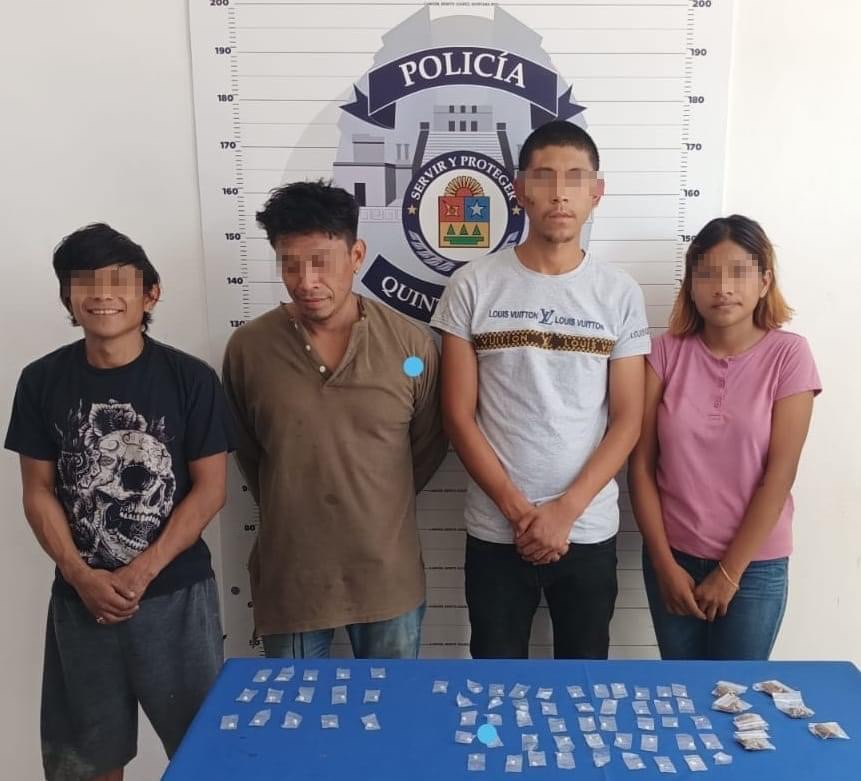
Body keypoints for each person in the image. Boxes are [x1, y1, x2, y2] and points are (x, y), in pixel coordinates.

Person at [4, 224, 233, 781]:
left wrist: (142, 570)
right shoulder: (40, 381)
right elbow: (37, 490)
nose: (102, 293)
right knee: (85, 765)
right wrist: (81, 575)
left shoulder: (191, 379)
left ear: (150, 294)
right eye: (84, 281)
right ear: (67, 297)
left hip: (177, 597)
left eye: (119, 280)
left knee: (206, 757)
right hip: (80, 602)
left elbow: (211, 488)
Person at [430, 121, 651, 659]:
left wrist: (564, 513)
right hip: (496, 530)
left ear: (597, 192)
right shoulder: (473, 284)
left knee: (583, 684)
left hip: (588, 528)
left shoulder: (619, 292)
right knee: (494, 686)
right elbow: (457, 414)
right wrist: (518, 512)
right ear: (520, 189)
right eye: (545, 176)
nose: (559, 192)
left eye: (576, 178)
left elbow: (628, 419)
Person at [222, 180, 447, 659]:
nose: (306, 281)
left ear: (356, 255)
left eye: (321, 261)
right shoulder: (249, 350)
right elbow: (250, 452)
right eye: (289, 264)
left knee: (390, 705)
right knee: (294, 708)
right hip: (292, 581)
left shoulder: (410, 347)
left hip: (388, 580)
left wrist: (373, 498)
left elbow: (426, 446)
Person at [628, 215, 821, 659]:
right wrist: (663, 563)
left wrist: (730, 574)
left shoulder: (789, 355)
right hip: (672, 559)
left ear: (764, 281)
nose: (722, 288)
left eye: (738, 272)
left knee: (735, 694)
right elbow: (640, 466)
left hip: (754, 566)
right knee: (679, 691)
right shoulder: (663, 353)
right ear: (690, 286)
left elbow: (779, 475)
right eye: (707, 274)